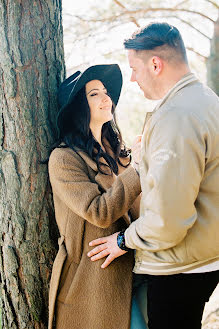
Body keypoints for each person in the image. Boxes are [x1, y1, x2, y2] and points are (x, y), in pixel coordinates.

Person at [87, 22, 219, 329]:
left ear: (155, 64)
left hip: (179, 267)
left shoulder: (176, 117)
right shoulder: (207, 100)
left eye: (134, 68)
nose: (132, 78)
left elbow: (167, 220)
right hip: (203, 256)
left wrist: (123, 240)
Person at [47, 64, 144, 329]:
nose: (106, 98)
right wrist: (138, 172)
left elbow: (140, 211)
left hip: (142, 266)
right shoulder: (64, 158)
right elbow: (98, 212)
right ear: (79, 107)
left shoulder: (121, 155)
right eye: (94, 94)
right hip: (96, 282)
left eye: (105, 92)